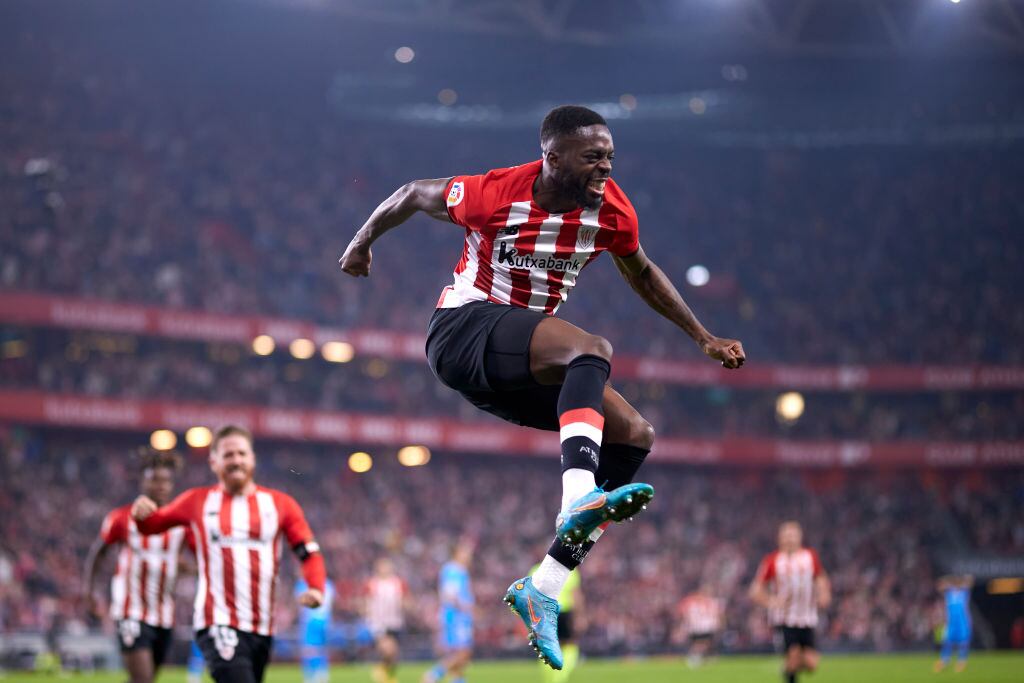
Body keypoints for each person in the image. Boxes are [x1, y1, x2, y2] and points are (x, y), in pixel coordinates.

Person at [340, 104, 746, 668]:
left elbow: (644, 273)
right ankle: (577, 496)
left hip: (516, 364)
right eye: (592, 156)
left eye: (609, 155)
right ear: (552, 158)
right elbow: (412, 193)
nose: (605, 166)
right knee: (592, 349)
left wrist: (702, 337)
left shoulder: (612, 212)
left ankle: (545, 588)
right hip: (463, 329)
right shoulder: (496, 193)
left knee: (634, 436)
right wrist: (361, 244)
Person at [130, 425, 326, 683]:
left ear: (253, 458)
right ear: (214, 462)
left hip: (262, 627)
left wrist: (315, 587)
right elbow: (153, 525)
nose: (236, 460)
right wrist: (141, 512)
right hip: (217, 621)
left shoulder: (280, 505)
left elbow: (308, 552)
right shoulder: (197, 501)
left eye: (242, 454)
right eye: (228, 454)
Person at [82, 450, 191, 683]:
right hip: (131, 611)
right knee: (143, 680)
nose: (160, 486)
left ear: (172, 485)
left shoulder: (181, 524)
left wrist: (187, 569)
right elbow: (98, 554)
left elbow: (190, 557)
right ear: (143, 481)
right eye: (154, 479)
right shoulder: (122, 518)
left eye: (165, 481)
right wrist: (90, 592)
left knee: (145, 678)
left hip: (164, 614)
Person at [749, 521, 831, 683]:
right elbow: (755, 590)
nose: (790, 539)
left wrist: (824, 594)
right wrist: (771, 601)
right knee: (793, 656)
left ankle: (787, 669)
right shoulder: (772, 561)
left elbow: (821, 577)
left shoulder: (810, 557)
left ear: (800, 537)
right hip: (784, 618)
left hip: (807, 616)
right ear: (779, 539)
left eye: (793, 535)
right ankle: (790, 670)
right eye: (786, 536)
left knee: (811, 664)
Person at [422, 542, 474, 683]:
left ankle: (457, 680)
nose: (469, 555)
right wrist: (464, 606)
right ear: (457, 553)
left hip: (459, 616)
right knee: (463, 653)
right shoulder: (453, 570)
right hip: (456, 616)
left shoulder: (459, 570)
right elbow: (450, 594)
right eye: (465, 552)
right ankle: (432, 675)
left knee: (458, 654)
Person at [529, 559, 584, 682]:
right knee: (569, 645)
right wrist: (580, 616)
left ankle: (550, 679)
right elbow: (576, 595)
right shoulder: (569, 570)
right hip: (563, 611)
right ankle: (561, 676)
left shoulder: (536, 570)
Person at [365, 558, 407, 683]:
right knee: (389, 649)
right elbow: (367, 601)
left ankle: (387, 675)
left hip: (395, 621)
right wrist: (368, 614)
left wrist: (405, 605)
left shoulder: (397, 583)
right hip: (378, 622)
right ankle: (381, 672)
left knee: (393, 654)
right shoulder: (373, 583)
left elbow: (404, 600)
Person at [295, 577, 335, 683]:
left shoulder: (303, 584)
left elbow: (300, 604)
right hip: (324, 620)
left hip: (311, 621)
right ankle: (321, 675)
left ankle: (311, 676)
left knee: (310, 650)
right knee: (321, 649)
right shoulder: (328, 584)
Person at [675, 584, 723, 669]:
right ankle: (696, 658)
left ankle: (698, 658)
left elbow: (682, 612)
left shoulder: (691, 601)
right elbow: (717, 614)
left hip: (696, 626)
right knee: (702, 644)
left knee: (700, 644)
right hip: (705, 625)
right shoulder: (710, 601)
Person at [934, 575, 974, 673]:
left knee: (964, 642)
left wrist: (960, 580)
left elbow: (970, 580)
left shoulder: (964, 592)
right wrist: (950, 581)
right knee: (947, 642)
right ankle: (944, 660)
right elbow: (939, 585)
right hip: (951, 622)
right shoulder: (949, 593)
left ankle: (961, 662)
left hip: (962, 621)